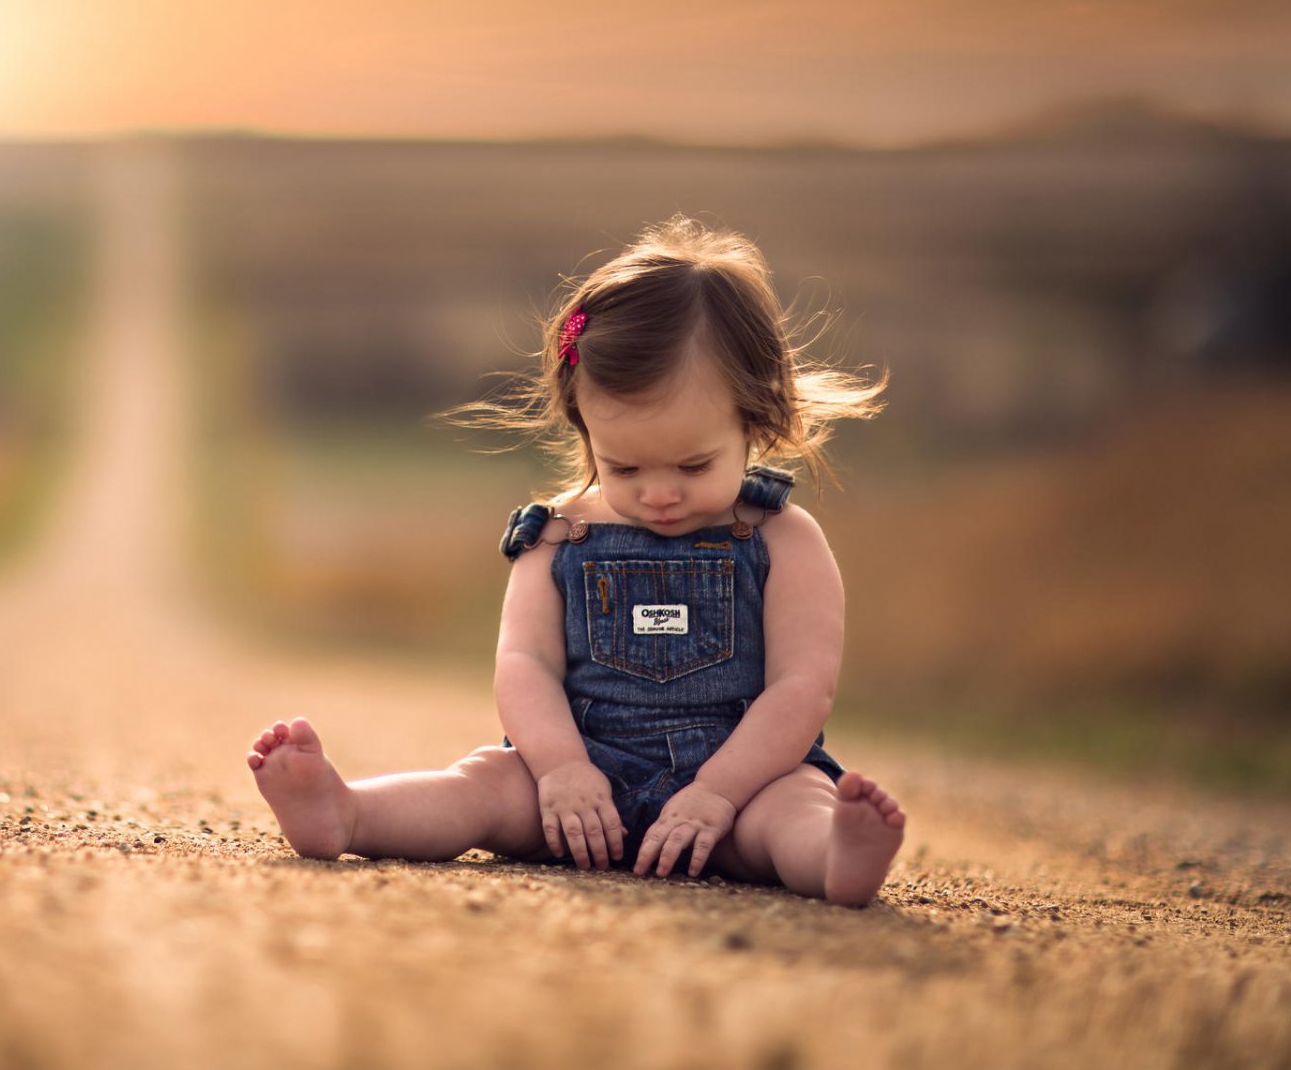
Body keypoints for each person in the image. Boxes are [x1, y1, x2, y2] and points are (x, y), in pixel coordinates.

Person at [244, 216, 908, 906]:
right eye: (622, 465)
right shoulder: (559, 533)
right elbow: (524, 663)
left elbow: (800, 688)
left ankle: (836, 855)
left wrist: (717, 791)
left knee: (794, 805)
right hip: (579, 785)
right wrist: (560, 767)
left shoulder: (783, 539)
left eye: (693, 464)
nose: (658, 493)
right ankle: (347, 812)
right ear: (584, 425)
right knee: (484, 785)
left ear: (755, 418)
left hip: (743, 782)